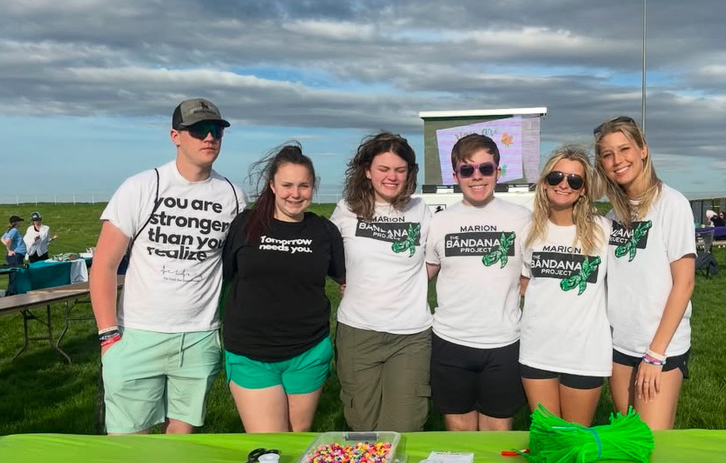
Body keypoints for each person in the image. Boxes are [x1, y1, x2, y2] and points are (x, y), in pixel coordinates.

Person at [90, 98, 245, 435]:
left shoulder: (232, 194)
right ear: (176, 136)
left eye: (216, 130)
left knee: (181, 444)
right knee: (130, 444)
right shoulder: (141, 186)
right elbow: (104, 264)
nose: (209, 138)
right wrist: (108, 338)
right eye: (198, 130)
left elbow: (237, 267)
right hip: (138, 333)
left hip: (199, 336)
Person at [221, 143, 345, 433]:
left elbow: (344, 279)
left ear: (312, 188)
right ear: (272, 186)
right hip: (252, 352)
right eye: (287, 185)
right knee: (271, 448)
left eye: (303, 186)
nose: (295, 193)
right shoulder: (245, 225)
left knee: (297, 440)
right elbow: (226, 274)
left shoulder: (324, 231)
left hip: (308, 351)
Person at [593, 115, 694, 431]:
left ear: (643, 150)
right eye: (607, 155)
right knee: (628, 442)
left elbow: (685, 282)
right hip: (620, 346)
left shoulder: (672, 204)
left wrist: (655, 354)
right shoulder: (614, 214)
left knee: (651, 447)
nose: (617, 160)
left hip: (658, 349)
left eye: (624, 149)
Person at [425, 133, 531, 432]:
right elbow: (422, 273)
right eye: (467, 169)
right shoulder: (439, 222)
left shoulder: (522, 219)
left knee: (497, 433)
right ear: (455, 173)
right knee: (459, 433)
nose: (477, 177)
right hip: (450, 340)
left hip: (503, 342)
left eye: (485, 169)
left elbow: (531, 278)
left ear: (498, 171)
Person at [330, 133, 432, 432]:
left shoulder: (420, 210)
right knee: (362, 427)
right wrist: (347, 279)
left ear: (409, 173)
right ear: (367, 170)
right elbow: (329, 256)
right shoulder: (346, 210)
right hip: (358, 332)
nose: (392, 176)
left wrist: (406, 284)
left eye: (400, 170)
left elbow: (433, 261)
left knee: (405, 426)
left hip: (410, 336)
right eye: (384, 169)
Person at [519, 146, 611, 426]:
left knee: (573, 442)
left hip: (585, 352)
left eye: (574, 180)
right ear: (544, 181)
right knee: (548, 440)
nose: (564, 185)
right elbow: (524, 284)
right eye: (557, 177)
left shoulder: (603, 230)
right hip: (537, 350)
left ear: (583, 189)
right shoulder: (527, 230)